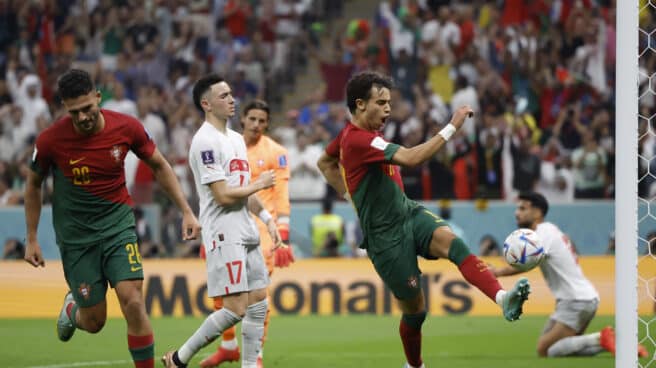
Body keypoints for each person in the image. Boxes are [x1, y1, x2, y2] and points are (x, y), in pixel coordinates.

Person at [317, 71, 531, 368]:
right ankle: (414, 365)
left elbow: (325, 162)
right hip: (385, 239)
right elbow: (411, 158)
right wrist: (452, 127)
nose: (389, 109)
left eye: (389, 102)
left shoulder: (350, 135)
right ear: (361, 104)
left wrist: (347, 195)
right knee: (416, 312)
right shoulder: (357, 140)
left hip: (408, 212)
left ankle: (501, 298)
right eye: (381, 102)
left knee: (454, 245)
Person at [23, 69, 202, 368]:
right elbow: (32, 184)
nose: (82, 118)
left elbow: (159, 165)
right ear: (65, 108)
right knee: (94, 322)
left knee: (132, 300)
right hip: (77, 238)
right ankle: (72, 311)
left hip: (117, 226)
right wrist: (31, 238)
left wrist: (186, 210)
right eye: (74, 112)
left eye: (87, 109)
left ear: (98, 97)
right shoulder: (50, 140)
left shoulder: (126, 127)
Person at [162, 74, 282, 368]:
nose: (232, 100)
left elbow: (244, 190)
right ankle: (180, 358)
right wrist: (260, 184)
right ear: (206, 104)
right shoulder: (204, 142)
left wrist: (267, 219)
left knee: (258, 301)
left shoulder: (236, 139)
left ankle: (250, 365)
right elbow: (223, 196)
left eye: (231, 94)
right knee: (235, 308)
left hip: (246, 227)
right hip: (223, 231)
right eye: (224, 96)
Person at [491, 191, 648, 358]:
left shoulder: (542, 233)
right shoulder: (549, 231)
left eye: (522, 208)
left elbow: (527, 263)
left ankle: (601, 337)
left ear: (537, 212)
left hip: (575, 301)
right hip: (581, 298)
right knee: (560, 349)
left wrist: (497, 272)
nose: (517, 213)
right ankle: (622, 346)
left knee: (544, 349)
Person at [199, 99, 295, 368]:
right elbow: (215, 190)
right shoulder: (228, 146)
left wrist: (283, 236)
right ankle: (228, 346)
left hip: (263, 231)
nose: (256, 125)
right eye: (252, 119)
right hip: (228, 223)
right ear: (242, 119)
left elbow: (281, 195)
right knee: (222, 289)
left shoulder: (277, 152)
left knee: (257, 297)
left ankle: (256, 356)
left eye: (262, 121)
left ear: (267, 124)